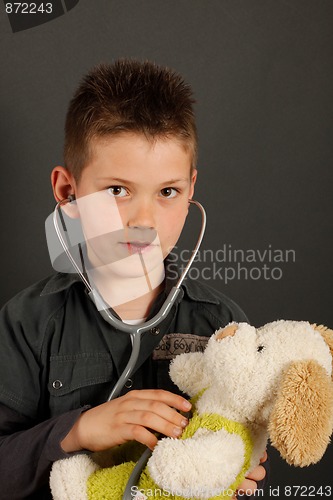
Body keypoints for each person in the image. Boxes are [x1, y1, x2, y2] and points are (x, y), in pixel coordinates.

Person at [0, 59, 268, 499]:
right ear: (68, 192)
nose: (144, 220)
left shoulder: (223, 325)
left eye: (167, 192)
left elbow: (244, 448)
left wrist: (243, 477)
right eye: (118, 190)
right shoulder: (28, 323)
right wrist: (78, 430)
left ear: (190, 191)